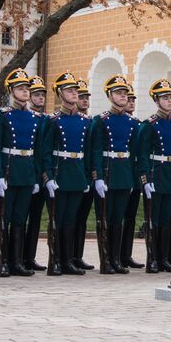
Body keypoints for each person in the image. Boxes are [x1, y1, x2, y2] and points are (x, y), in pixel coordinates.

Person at [0, 68, 44, 277]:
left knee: (20, 219)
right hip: (8, 171)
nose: (24, 92)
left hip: (26, 172)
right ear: (11, 91)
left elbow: (38, 150)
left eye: (26, 89)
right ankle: (2, 261)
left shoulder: (34, 118)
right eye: (20, 89)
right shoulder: (2, 117)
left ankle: (17, 261)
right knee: (4, 218)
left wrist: (37, 176)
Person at [87, 74, 137, 275]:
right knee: (105, 219)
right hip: (107, 173)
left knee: (119, 219)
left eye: (125, 93)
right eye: (118, 93)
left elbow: (133, 153)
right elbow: (96, 151)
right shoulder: (101, 121)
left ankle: (116, 259)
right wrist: (97, 177)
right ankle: (105, 260)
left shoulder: (131, 122)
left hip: (124, 173)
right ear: (110, 96)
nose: (123, 96)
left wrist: (133, 178)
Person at [135, 80, 171, 274]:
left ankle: (164, 258)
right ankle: (152, 258)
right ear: (156, 101)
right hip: (156, 174)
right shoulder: (149, 125)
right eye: (165, 98)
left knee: (166, 220)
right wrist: (145, 180)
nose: (170, 101)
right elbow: (143, 155)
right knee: (153, 220)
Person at [49, 71, 89, 276]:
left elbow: (89, 152)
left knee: (71, 219)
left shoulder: (85, 121)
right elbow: (45, 151)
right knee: (58, 218)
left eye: (75, 90)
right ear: (60, 94)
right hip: (60, 173)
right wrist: (47, 177)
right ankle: (55, 260)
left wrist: (89, 177)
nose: (74, 94)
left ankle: (68, 260)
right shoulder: (53, 121)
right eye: (69, 90)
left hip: (76, 173)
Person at [23, 75, 53, 273]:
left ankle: (30, 256)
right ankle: (18, 256)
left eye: (43, 94)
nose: (40, 97)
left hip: (42, 176)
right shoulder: (30, 118)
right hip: (27, 173)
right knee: (21, 218)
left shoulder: (46, 119)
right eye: (36, 94)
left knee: (35, 219)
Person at [71, 79, 96, 270]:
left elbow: (91, 152)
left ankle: (77, 255)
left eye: (87, 96)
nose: (85, 100)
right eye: (81, 96)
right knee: (71, 217)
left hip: (84, 176)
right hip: (70, 174)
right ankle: (67, 256)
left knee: (81, 219)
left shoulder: (89, 122)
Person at [120, 89, 146, 271]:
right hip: (122, 173)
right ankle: (116, 255)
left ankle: (126, 254)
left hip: (134, 175)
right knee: (119, 217)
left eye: (132, 99)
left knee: (130, 218)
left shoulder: (137, 124)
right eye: (128, 99)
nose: (131, 102)